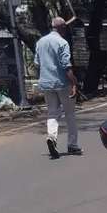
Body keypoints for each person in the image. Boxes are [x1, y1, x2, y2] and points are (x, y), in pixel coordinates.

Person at [36, 16, 81, 158]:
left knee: (52, 113)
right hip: (62, 83)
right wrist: (74, 83)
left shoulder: (40, 42)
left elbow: (37, 63)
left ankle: (52, 137)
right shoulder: (62, 42)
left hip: (46, 83)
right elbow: (66, 65)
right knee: (70, 114)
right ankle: (72, 145)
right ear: (62, 28)